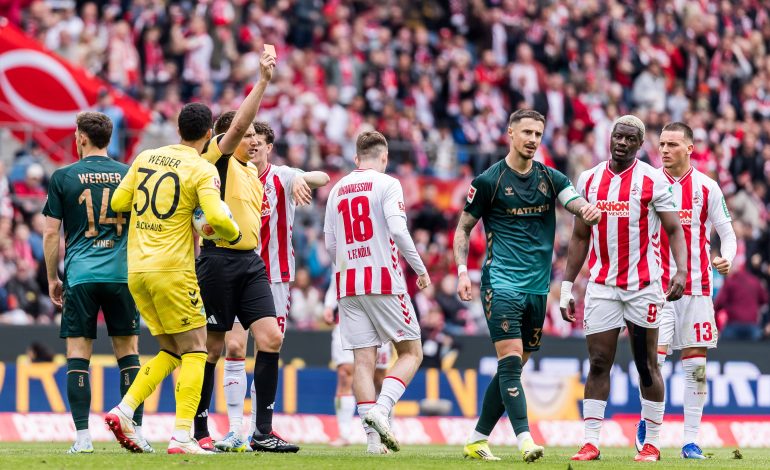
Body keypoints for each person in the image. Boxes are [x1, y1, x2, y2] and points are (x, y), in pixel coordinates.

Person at [453, 109, 601, 463]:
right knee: (510, 358)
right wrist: (462, 270)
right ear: (510, 133)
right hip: (500, 281)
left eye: (538, 133)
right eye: (527, 133)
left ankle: (477, 439)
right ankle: (524, 439)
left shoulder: (550, 178)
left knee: (513, 366)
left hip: (537, 287)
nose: (533, 139)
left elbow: (572, 200)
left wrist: (586, 210)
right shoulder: (489, 181)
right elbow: (463, 229)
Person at [103, 102, 241, 455]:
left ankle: (124, 410)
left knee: (170, 350)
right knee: (197, 348)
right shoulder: (201, 168)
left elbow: (119, 201)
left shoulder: (146, 157)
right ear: (209, 133)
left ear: (179, 129)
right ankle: (182, 436)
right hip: (173, 270)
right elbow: (215, 217)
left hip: (138, 270)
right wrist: (232, 231)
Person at [561, 115, 688, 462]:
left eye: (630, 138)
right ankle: (590, 442)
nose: (621, 142)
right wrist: (566, 287)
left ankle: (653, 443)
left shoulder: (652, 180)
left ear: (639, 145)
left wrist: (681, 270)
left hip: (643, 287)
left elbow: (674, 230)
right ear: (610, 137)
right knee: (599, 362)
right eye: (618, 135)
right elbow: (579, 236)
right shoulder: (588, 179)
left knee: (647, 365)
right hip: (602, 286)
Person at [205, 116, 329, 452]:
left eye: (260, 139)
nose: (254, 143)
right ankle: (233, 429)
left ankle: (261, 429)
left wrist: (304, 179)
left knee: (267, 348)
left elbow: (324, 176)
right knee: (232, 347)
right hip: (233, 271)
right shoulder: (228, 174)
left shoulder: (283, 177)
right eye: (248, 137)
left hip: (274, 278)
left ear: (269, 147)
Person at [42, 111, 149, 454]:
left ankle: (83, 438)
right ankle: (136, 432)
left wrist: (52, 278)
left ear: (83, 138)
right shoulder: (129, 174)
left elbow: (49, 234)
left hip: (81, 275)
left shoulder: (63, 177)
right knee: (129, 355)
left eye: (76, 135)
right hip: (122, 275)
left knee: (78, 355)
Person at [633, 122, 737, 459]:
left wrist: (727, 257)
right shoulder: (647, 182)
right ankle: (650, 433)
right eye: (661, 143)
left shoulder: (708, 188)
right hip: (656, 291)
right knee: (653, 363)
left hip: (697, 289)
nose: (664, 150)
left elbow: (728, 233)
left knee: (696, 368)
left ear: (690, 148)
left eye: (672, 144)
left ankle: (690, 441)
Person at [323, 131, 430, 454]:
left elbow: (330, 244)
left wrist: (347, 266)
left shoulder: (337, 189)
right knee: (412, 353)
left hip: (347, 284)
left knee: (363, 362)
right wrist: (420, 269)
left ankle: (372, 443)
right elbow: (398, 229)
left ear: (357, 158)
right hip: (383, 280)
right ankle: (381, 411)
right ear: (384, 157)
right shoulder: (387, 183)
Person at [322, 277, 391, 447]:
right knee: (345, 374)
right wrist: (328, 305)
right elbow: (335, 277)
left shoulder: (384, 252)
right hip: (346, 319)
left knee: (380, 379)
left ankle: (386, 432)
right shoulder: (340, 251)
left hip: (378, 319)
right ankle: (344, 434)